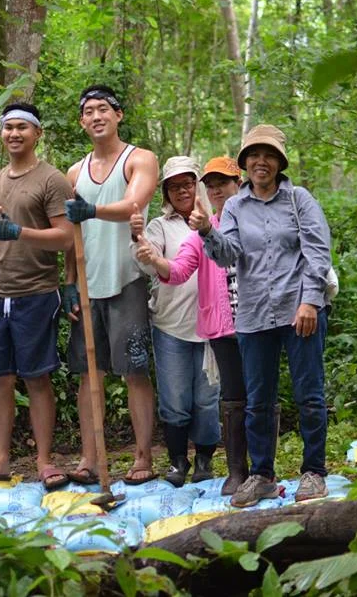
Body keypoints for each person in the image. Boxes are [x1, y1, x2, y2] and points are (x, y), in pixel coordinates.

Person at [193, 125, 332, 506]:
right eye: (253, 155)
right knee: (257, 400)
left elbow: (318, 253)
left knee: (309, 393)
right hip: (254, 313)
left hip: (299, 309)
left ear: (280, 162)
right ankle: (262, 475)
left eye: (268, 155)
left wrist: (310, 301)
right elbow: (228, 255)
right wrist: (207, 230)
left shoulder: (299, 199)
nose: (260, 161)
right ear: (245, 162)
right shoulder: (236, 205)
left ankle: (314, 472)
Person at [136, 156, 265, 496]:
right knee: (194, 398)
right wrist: (153, 259)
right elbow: (176, 271)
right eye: (211, 184)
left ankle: (259, 470)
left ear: (239, 184)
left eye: (192, 184)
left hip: (257, 322)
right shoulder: (191, 230)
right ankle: (213, 467)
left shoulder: (249, 217)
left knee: (248, 398)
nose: (213, 190)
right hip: (201, 325)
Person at [0, 102, 74, 491]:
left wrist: (22, 234)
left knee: (37, 378)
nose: (14, 134)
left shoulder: (52, 180)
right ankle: (0, 459)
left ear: (36, 134)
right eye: (8, 127)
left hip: (36, 293)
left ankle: (45, 460)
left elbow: (66, 238)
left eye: (22, 128)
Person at [64, 85, 160, 485]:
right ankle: (90, 457)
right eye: (88, 111)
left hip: (127, 280)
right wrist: (68, 282)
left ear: (118, 115)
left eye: (104, 109)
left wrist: (94, 209)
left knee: (134, 371)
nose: (96, 116)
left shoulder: (139, 159)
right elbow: (72, 232)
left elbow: (133, 204)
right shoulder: (74, 172)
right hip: (88, 284)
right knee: (89, 374)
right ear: (83, 122)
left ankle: (142, 457)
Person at [129, 156, 217, 487]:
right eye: (174, 186)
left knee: (207, 399)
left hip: (211, 327)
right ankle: (178, 461)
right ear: (166, 192)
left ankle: (205, 460)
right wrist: (143, 248)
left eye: (188, 183)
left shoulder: (217, 220)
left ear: (199, 185)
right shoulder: (159, 226)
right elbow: (149, 264)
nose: (182, 191)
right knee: (175, 398)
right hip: (171, 325)